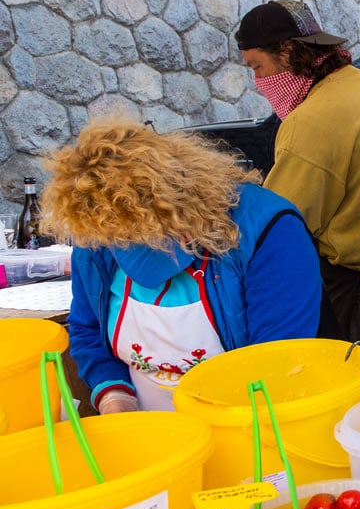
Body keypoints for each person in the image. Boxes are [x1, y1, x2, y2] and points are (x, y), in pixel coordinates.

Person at [41, 117, 322, 413]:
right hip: (149, 429)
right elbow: (87, 328)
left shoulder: (268, 230)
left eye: (133, 232)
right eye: (114, 237)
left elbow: (278, 359)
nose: (121, 244)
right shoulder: (98, 232)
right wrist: (114, 396)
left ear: (173, 205)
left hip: (249, 423)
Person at [234, 0, 360, 379]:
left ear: (289, 52)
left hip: (357, 289)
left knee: (354, 395)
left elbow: (278, 222)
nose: (258, 83)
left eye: (258, 67)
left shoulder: (311, 121)